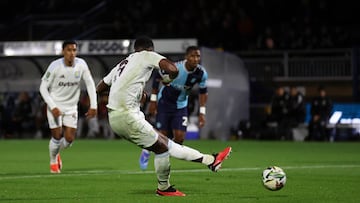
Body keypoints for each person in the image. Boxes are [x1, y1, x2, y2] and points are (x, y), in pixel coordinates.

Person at [96, 36, 231, 196]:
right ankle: (176, 181)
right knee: (165, 147)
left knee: (164, 146)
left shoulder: (122, 64)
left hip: (115, 117)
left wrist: (132, 94)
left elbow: (100, 88)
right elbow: (173, 69)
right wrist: (168, 78)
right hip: (127, 116)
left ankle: (204, 164)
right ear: (149, 49)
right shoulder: (147, 55)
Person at [139, 46, 209, 170]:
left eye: (198, 56)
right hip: (164, 103)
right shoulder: (175, 68)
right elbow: (157, 76)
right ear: (186, 57)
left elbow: (203, 93)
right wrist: (153, 101)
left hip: (181, 105)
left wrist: (202, 113)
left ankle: (162, 153)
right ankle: (147, 150)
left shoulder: (201, 73)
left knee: (180, 139)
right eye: (193, 56)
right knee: (162, 136)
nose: (196, 59)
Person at [39, 40, 97, 173]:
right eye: (69, 50)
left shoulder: (81, 64)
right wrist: (52, 106)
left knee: (69, 139)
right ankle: (53, 160)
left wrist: (93, 105)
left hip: (71, 107)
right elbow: (42, 87)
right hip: (55, 107)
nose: (72, 53)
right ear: (63, 51)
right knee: (57, 136)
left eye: (74, 50)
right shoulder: (55, 66)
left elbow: (90, 84)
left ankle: (56, 152)